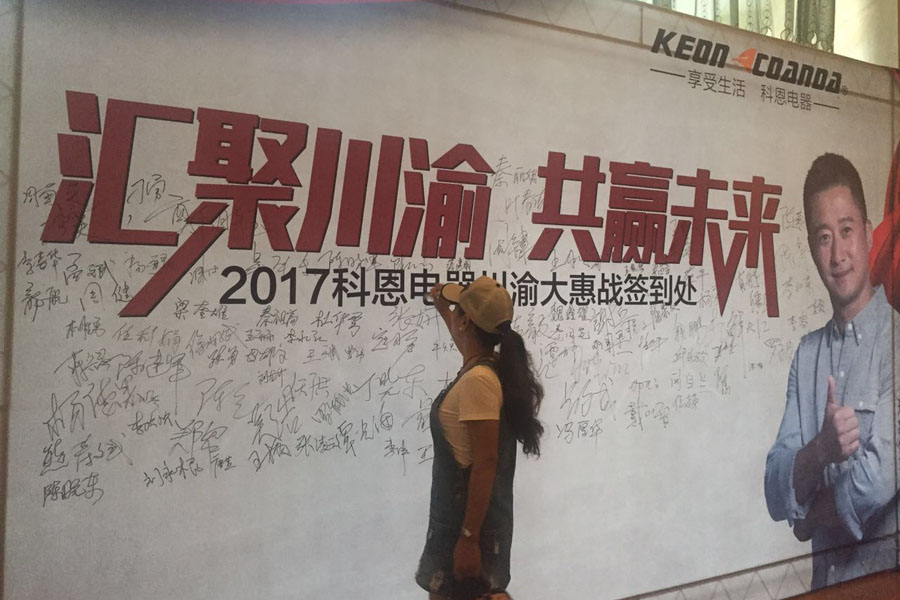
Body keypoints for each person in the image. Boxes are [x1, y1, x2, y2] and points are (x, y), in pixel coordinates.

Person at [764, 153, 899, 589]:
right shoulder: (806, 356)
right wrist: (820, 449)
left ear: (868, 232)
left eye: (846, 230)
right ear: (810, 247)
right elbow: (774, 486)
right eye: (824, 237)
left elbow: (877, 483)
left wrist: (805, 517)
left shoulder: (897, 344)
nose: (838, 254)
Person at [415, 276, 544, 600]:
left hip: (468, 528)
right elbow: (466, 342)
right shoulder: (489, 364)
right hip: (467, 525)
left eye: (459, 311)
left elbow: (486, 463)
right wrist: (444, 307)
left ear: (466, 322)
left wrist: (468, 539)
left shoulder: (478, 382)